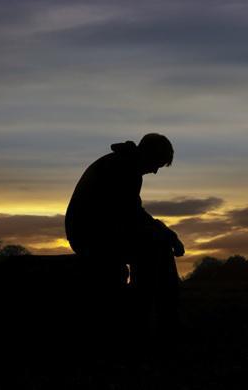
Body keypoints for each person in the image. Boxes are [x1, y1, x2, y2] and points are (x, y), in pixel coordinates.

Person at [65, 133, 184, 343]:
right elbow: (131, 215)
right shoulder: (124, 169)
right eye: (157, 163)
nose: (155, 171)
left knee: (156, 246)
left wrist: (164, 233)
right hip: (92, 235)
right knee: (156, 251)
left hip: (94, 231)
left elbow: (132, 214)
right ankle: (157, 324)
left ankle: (155, 321)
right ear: (148, 154)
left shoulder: (122, 164)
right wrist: (167, 235)